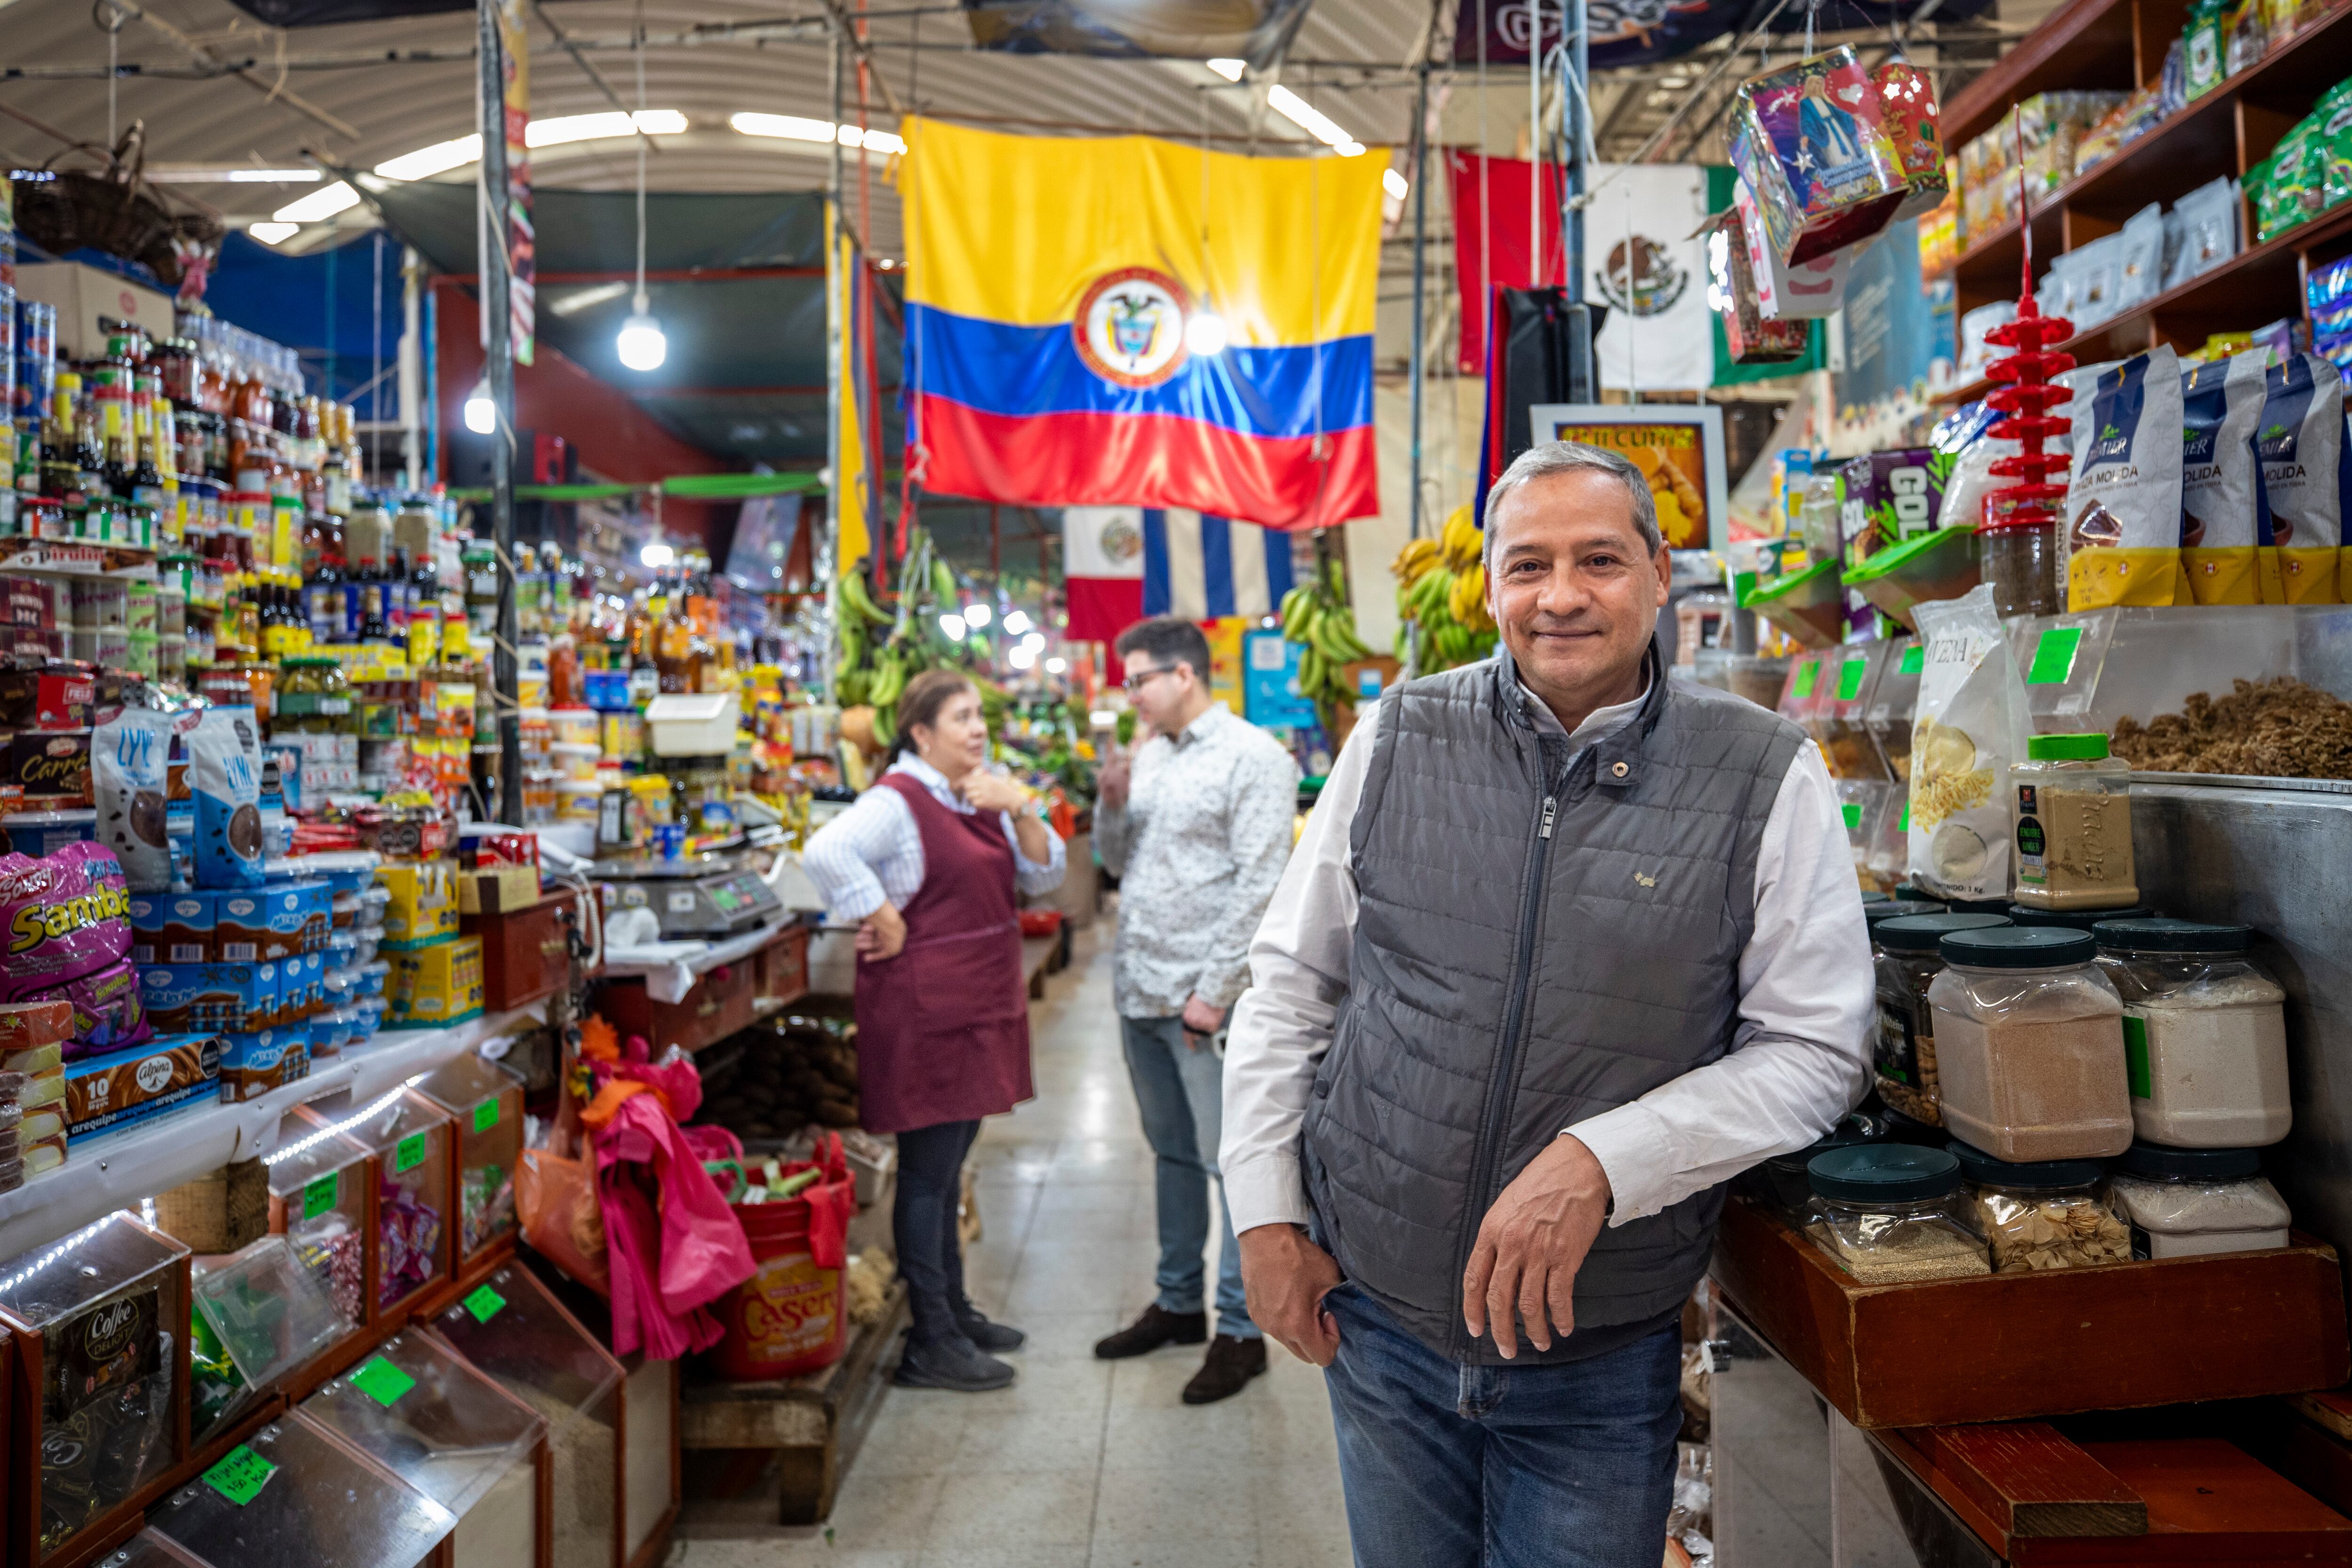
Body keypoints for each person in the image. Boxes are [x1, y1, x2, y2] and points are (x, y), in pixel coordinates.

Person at [1222, 441, 1874, 1565]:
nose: (1561, 595)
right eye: (1527, 565)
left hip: (1593, 1342)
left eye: (1599, 560)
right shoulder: (1396, 737)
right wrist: (1266, 1217)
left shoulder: (1764, 771)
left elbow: (1815, 1047)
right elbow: (1292, 984)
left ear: (1661, 575)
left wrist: (1604, 1159)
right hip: (1377, 1323)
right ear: (1490, 587)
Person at [803, 668, 1065, 1393]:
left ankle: (954, 1310)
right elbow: (825, 851)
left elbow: (1043, 881)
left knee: (952, 1166)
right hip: (928, 1014)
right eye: (961, 718)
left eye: (980, 715)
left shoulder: (977, 791)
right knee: (926, 1173)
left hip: (977, 1002)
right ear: (922, 733)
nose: (978, 729)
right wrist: (878, 909)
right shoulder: (897, 799)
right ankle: (932, 1340)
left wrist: (1023, 807)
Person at [1091, 617, 1301, 1404]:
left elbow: (1260, 884)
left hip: (1206, 1002)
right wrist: (1111, 805)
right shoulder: (1144, 759)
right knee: (1171, 1152)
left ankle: (1241, 1328)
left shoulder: (1254, 757)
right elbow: (1117, 865)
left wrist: (1213, 994)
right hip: (1139, 989)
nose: (1131, 694)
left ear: (1184, 675)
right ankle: (1178, 1301)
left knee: (1228, 1163)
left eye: (1139, 678)